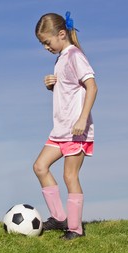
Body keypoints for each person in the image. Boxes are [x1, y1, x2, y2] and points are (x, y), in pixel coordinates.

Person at [33, 12, 97, 240]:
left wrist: (82, 118)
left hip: (76, 131)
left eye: (46, 42)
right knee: (40, 166)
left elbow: (92, 87)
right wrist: (52, 86)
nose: (45, 47)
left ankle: (75, 229)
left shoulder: (75, 56)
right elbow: (70, 89)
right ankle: (59, 217)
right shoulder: (61, 58)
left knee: (70, 176)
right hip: (60, 131)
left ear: (61, 34)